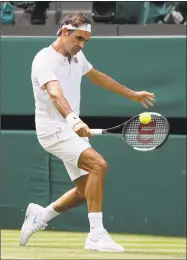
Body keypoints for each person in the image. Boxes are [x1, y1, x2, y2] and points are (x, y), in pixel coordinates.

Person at [19, 12, 155, 252]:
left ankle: (41, 216)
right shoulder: (44, 60)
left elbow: (98, 77)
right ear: (64, 32)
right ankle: (96, 235)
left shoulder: (77, 56)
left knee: (85, 191)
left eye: (85, 41)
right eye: (78, 39)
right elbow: (54, 93)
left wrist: (131, 94)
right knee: (99, 165)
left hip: (69, 130)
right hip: (53, 131)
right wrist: (74, 121)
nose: (81, 45)